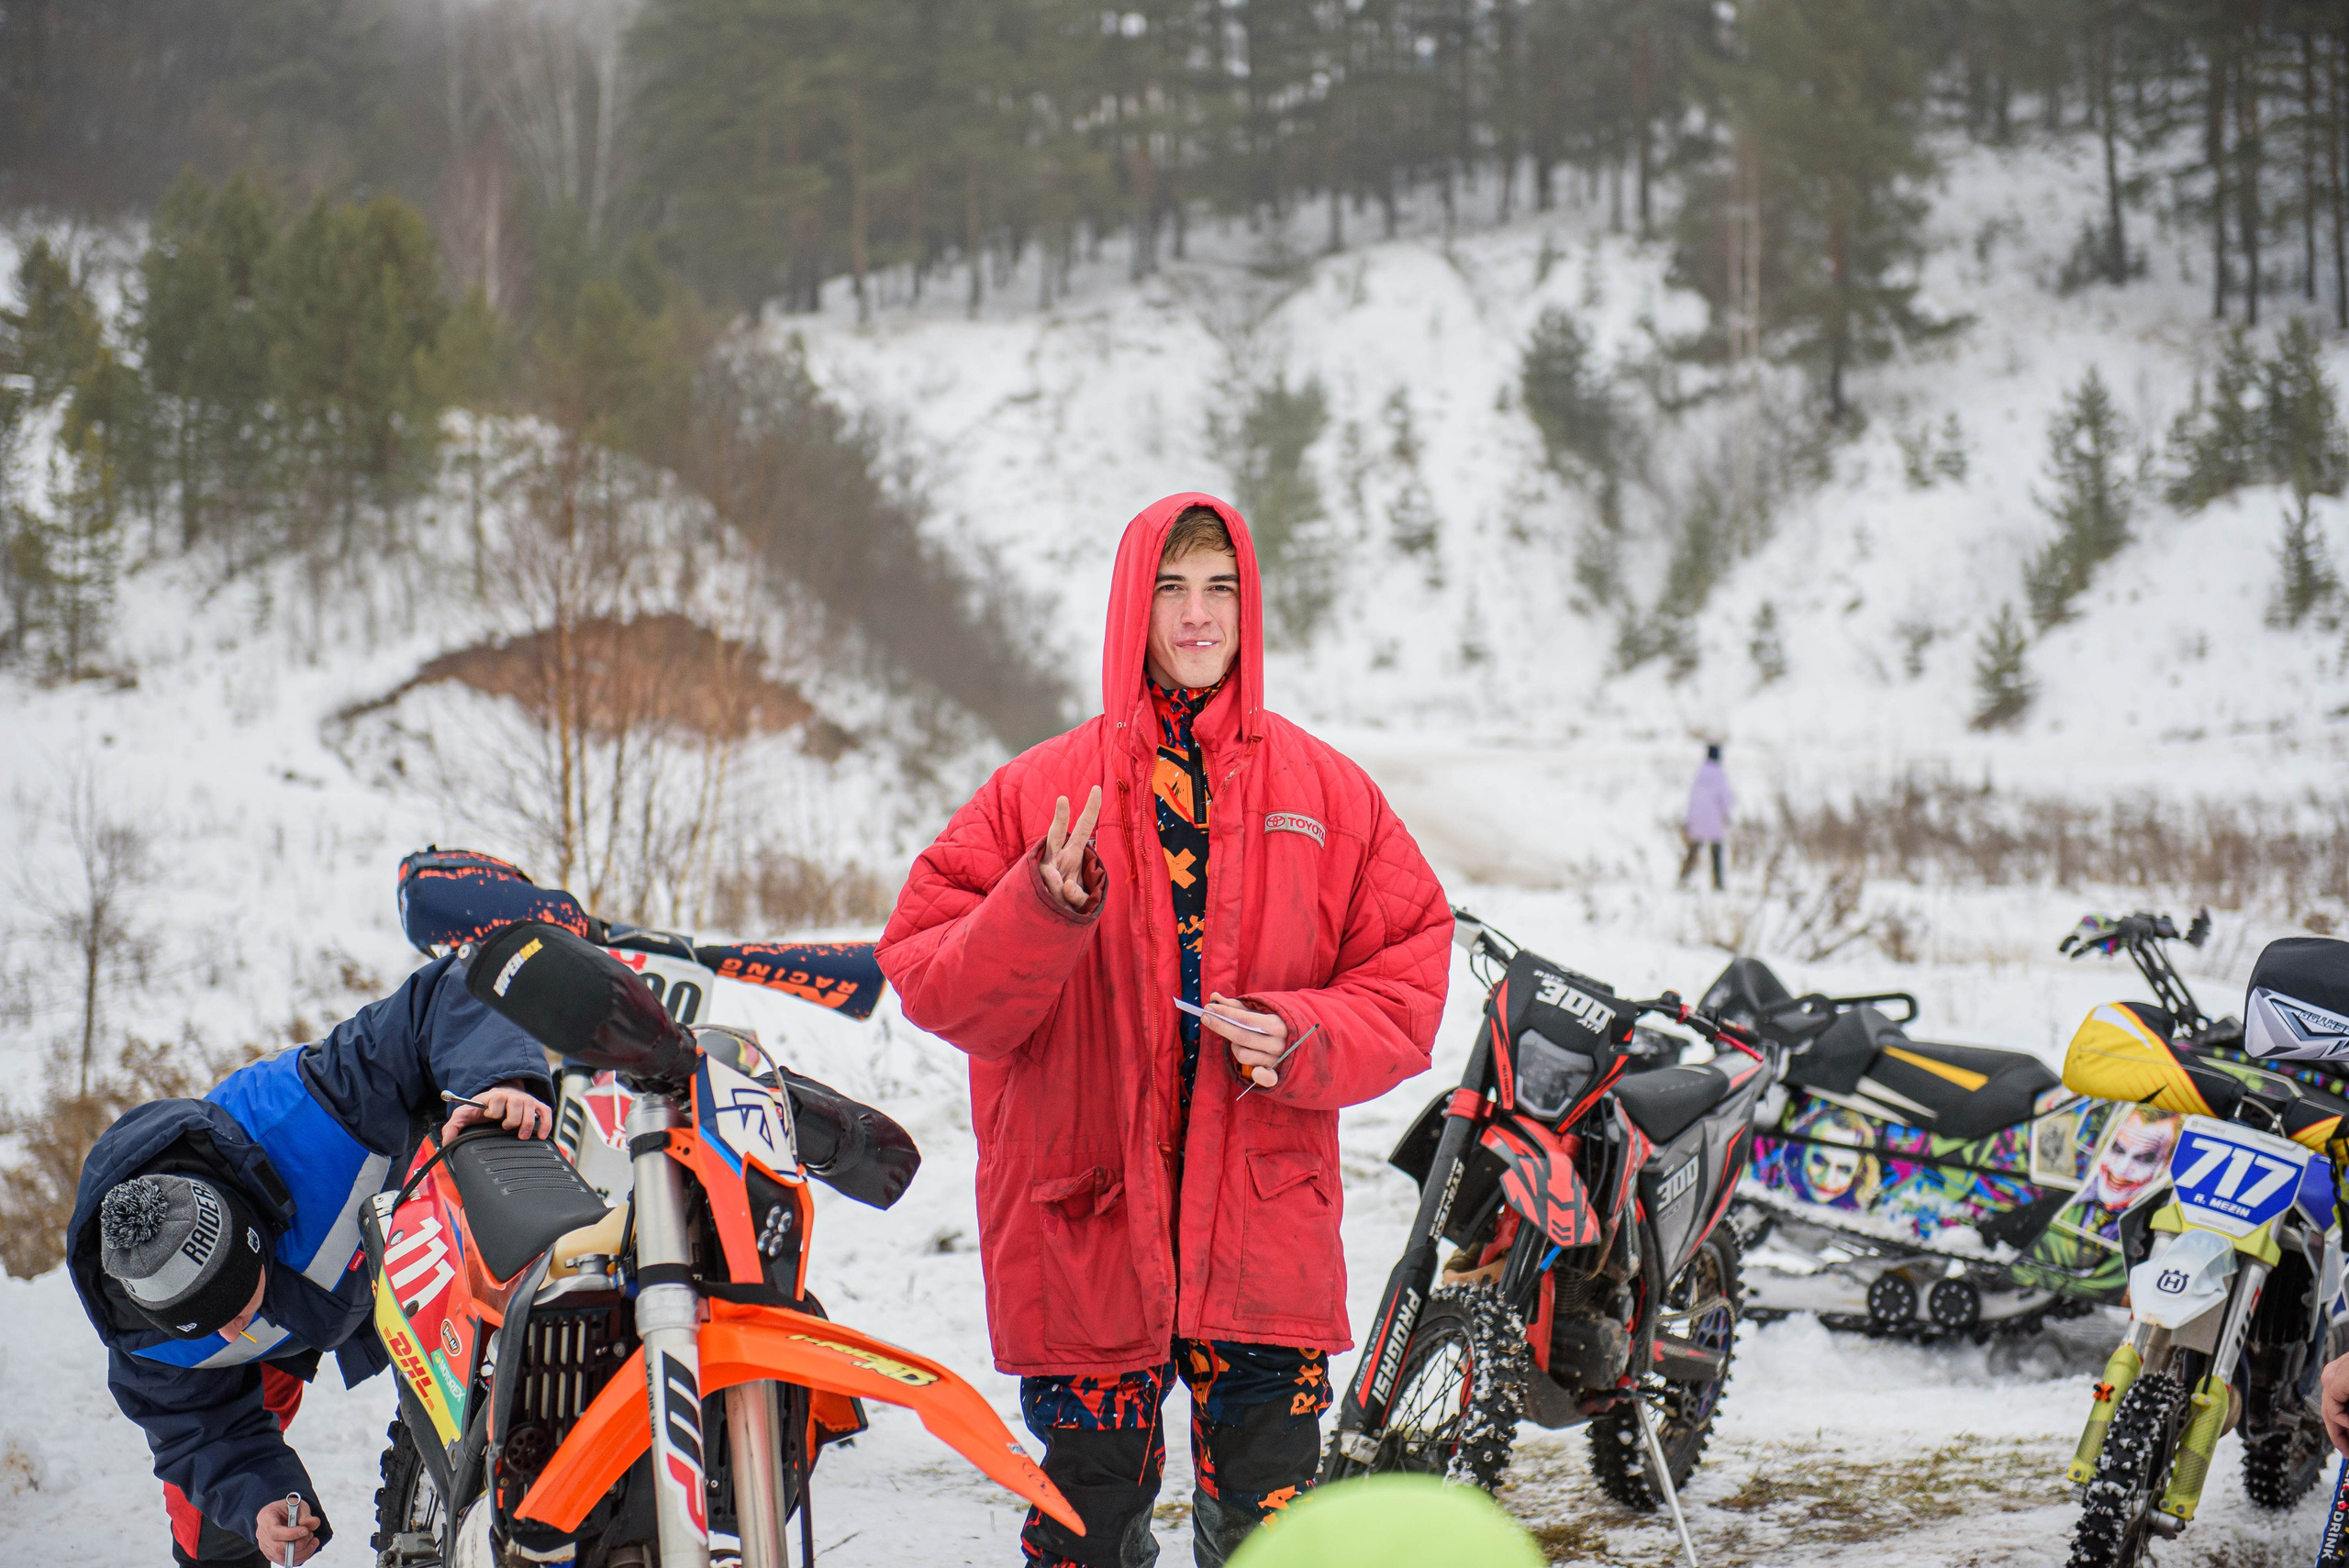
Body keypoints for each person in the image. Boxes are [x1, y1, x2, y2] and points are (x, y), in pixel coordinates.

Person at [877, 494, 1452, 1568]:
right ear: (1130, 609)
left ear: (1250, 605)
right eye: (1171, 587)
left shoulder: (1328, 793)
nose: (1197, 613)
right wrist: (1038, 907)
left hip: (1263, 1233)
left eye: (1220, 587)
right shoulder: (1037, 791)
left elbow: (1407, 976)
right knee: (1085, 1537)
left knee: (1269, 1539)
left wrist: (1296, 1030)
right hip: (1088, 1226)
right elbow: (930, 977)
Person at [66, 958, 556, 1568]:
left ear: (252, 1239)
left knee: (507, 1365)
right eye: (204, 1324)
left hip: (423, 1234)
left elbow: (451, 993)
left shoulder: (317, 1107)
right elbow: (202, 1432)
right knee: (214, 1522)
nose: (229, 1332)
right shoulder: (145, 1338)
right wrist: (263, 1500)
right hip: (295, 1315)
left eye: (231, 1306)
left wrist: (498, 1081)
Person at [1678, 742, 1733, 890]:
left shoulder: (1699, 774)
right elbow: (1726, 798)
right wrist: (1726, 815)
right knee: (1716, 852)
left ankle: (1683, 878)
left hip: (1697, 819)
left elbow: (1692, 798)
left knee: (1693, 850)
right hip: (1714, 820)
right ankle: (1718, 884)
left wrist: (1690, 819)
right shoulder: (1720, 775)